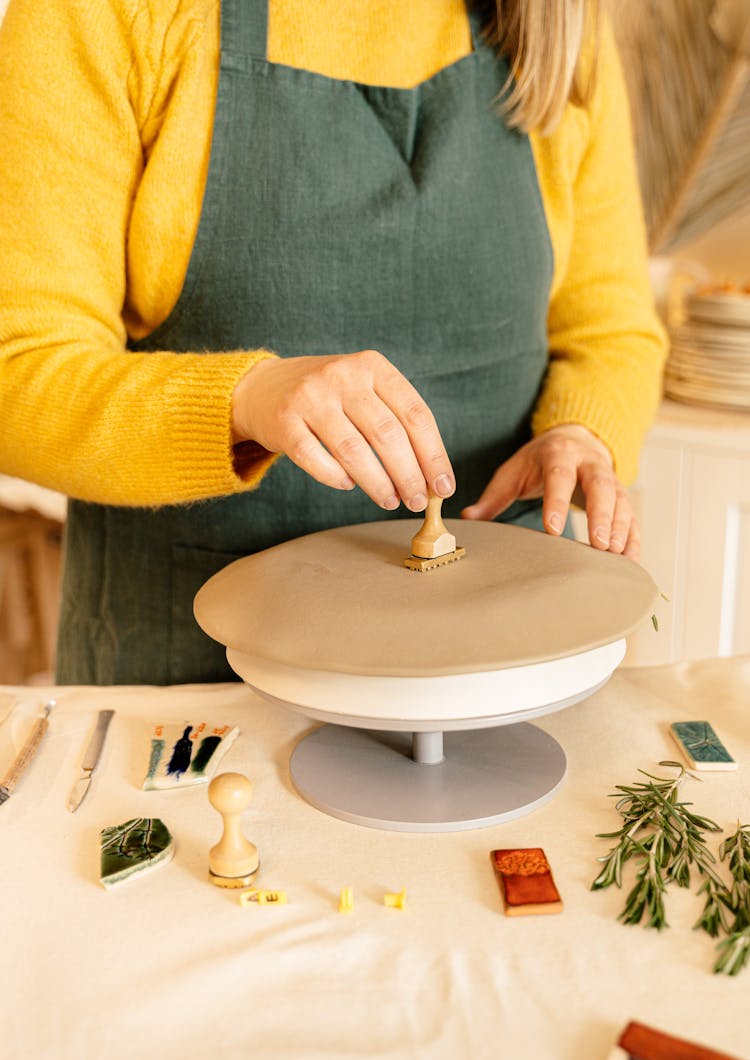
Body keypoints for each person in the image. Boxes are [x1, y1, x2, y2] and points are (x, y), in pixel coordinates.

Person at [0, 0, 666, 685]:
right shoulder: (104, 12)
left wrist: (582, 433)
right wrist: (246, 400)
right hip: (199, 682)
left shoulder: (555, 23)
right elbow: (19, 369)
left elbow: (610, 328)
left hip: (508, 670)